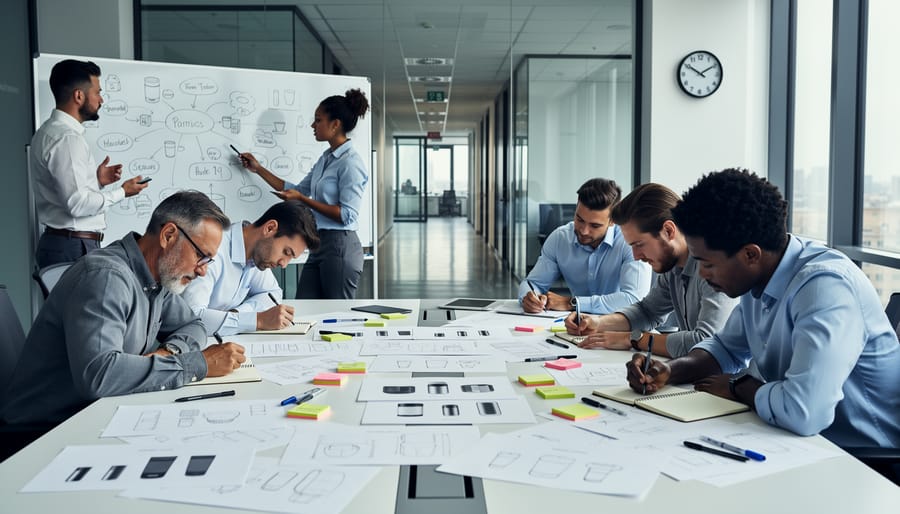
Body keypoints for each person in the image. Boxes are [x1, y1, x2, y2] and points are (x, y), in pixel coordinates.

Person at [627, 169, 900, 449]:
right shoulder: (759, 279)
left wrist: (739, 386)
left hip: (863, 458)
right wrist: (669, 370)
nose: (703, 275)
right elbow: (726, 348)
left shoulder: (825, 288)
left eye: (707, 264)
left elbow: (804, 411)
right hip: (794, 441)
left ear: (750, 254)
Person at [1, 191, 246, 426]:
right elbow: (100, 375)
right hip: (43, 431)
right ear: (168, 235)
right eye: (201, 256)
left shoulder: (156, 279)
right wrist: (195, 364)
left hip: (93, 414)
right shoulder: (106, 278)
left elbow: (194, 325)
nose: (203, 270)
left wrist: (170, 351)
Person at [564, 183, 737, 357]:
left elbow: (706, 341)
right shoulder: (673, 267)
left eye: (639, 244)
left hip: (731, 380)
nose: (636, 256)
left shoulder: (715, 267)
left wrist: (633, 339)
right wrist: (598, 322)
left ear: (668, 231)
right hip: (697, 373)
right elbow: (648, 311)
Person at [239, 89, 369, 299]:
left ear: (335, 124)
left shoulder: (351, 163)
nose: (313, 125)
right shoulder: (326, 159)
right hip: (318, 242)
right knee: (305, 306)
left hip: (340, 245)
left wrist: (302, 200)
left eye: (318, 120)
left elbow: (347, 215)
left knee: (337, 316)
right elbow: (297, 190)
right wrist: (258, 168)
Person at [31, 59, 148, 269]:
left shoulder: (47, 132)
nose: (101, 99)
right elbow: (77, 204)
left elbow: (66, 193)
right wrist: (122, 192)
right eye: (97, 92)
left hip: (65, 244)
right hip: (73, 247)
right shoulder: (67, 139)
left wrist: (97, 181)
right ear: (79, 96)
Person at [183, 201, 321, 336]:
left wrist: (237, 315)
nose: (284, 264)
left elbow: (272, 293)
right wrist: (257, 320)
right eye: (286, 252)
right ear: (270, 228)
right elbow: (191, 318)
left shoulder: (256, 258)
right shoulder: (214, 249)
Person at [518, 178, 651, 314]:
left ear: (612, 221)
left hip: (619, 325)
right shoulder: (559, 239)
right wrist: (528, 297)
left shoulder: (629, 243)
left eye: (595, 225)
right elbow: (533, 283)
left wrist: (572, 303)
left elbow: (634, 298)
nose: (583, 230)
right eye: (579, 219)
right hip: (574, 324)